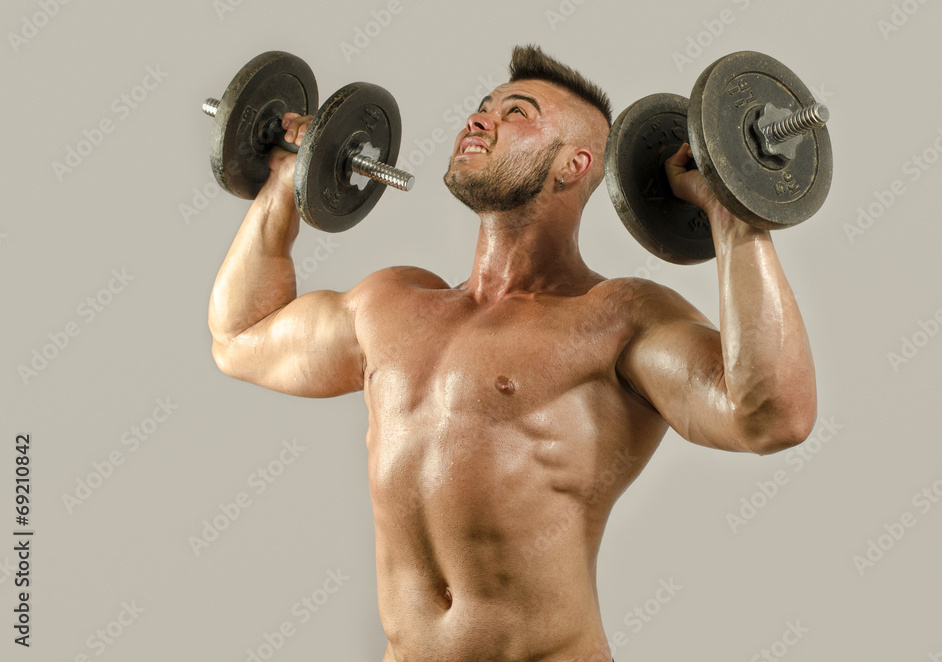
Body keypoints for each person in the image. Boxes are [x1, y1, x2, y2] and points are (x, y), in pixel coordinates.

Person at [208, 44, 817, 662]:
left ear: (573, 165)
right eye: (482, 107)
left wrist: (733, 212)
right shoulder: (391, 304)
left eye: (516, 113)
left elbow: (772, 416)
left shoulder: (617, 320)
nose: (478, 120)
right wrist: (283, 182)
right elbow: (239, 337)